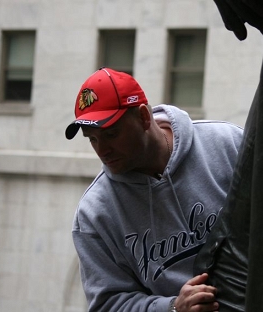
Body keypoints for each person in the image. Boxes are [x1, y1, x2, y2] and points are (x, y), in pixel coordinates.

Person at [65, 67, 243, 312]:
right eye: (92, 138)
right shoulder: (95, 213)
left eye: (111, 134)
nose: (101, 150)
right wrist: (172, 307)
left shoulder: (226, 143)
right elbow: (108, 304)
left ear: (143, 118)